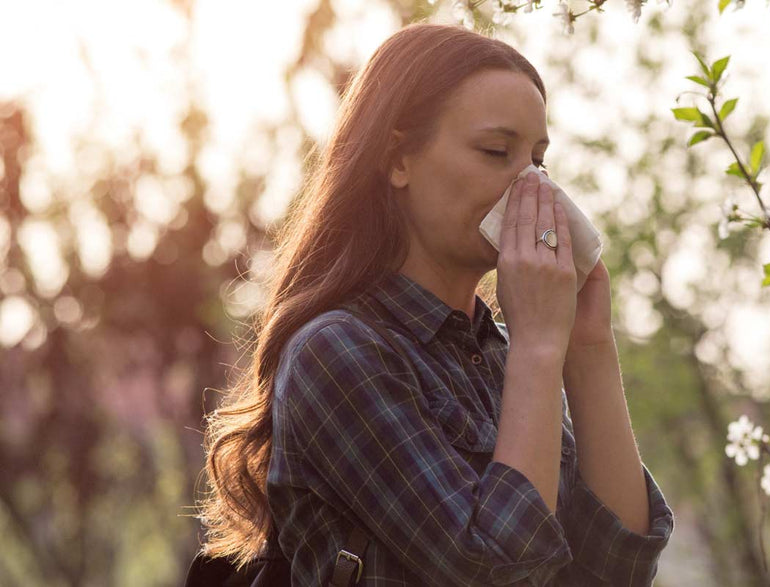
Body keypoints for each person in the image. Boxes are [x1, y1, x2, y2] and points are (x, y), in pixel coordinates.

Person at [194, 22, 674, 586]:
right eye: (497, 151)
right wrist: (541, 350)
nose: (533, 188)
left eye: (538, 160)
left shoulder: (502, 356)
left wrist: (589, 350)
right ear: (398, 160)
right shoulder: (338, 353)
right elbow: (493, 570)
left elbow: (619, 570)